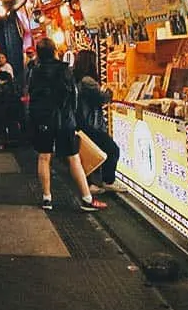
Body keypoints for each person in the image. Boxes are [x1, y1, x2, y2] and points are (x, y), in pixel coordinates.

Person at [28, 38, 103, 213]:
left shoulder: (35, 71)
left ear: (38, 53)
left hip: (43, 120)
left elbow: (32, 95)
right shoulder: (65, 70)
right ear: (55, 50)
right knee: (73, 157)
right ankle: (86, 198)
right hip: (65, 120)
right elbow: (73, 96)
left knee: (44, 157)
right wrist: (73, 118)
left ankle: (47, 198)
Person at [72, 49, 122, 194]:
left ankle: (94, 183)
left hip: (81, 123)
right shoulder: (88, 81)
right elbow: (102, 99)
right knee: (112, 150)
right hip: (91, 124)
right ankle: (106, 181)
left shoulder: (76, 79)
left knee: (91, 154)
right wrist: (110, 92)